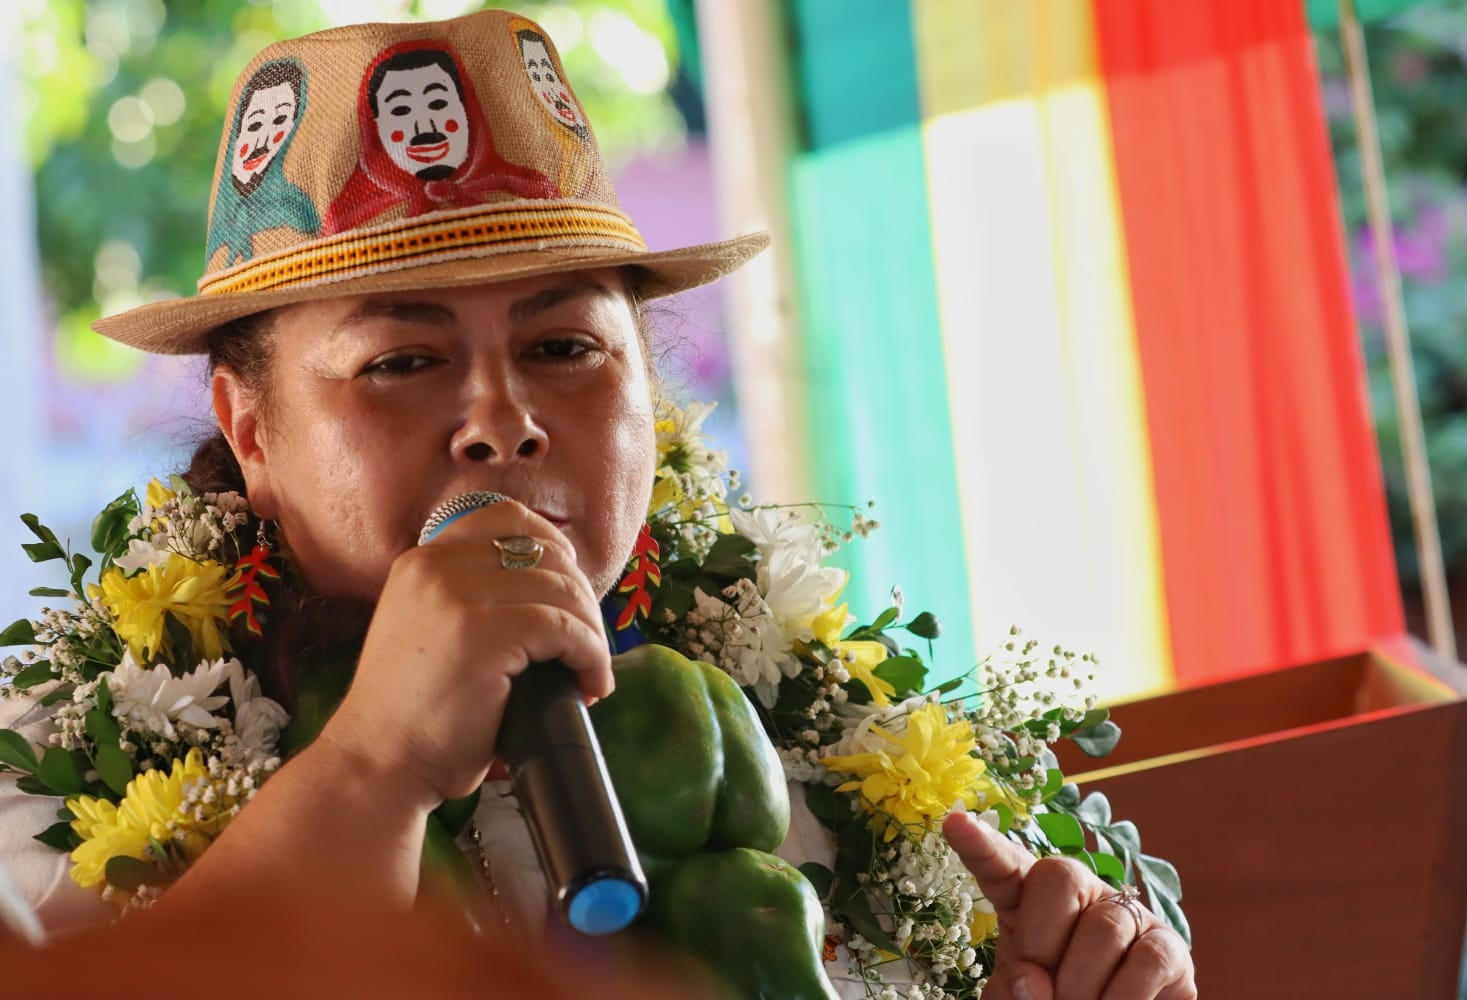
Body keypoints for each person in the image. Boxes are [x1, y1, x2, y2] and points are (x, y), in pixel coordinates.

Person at [0, 10, 1194, 1000]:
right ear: (251, 431)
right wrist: (373, 765)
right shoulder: (50, 782)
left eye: (565, 346)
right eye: (402, 362)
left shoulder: (836, 758)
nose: (500, 418)